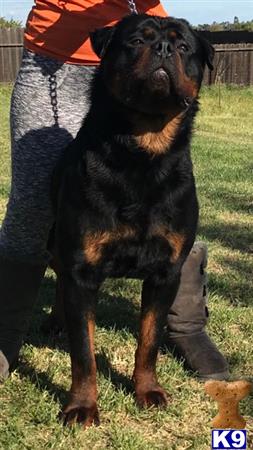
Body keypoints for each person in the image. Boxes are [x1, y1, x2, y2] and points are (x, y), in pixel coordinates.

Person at [0, 0, 228, 381]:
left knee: (172, 206)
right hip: (54, 59)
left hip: (141, 32)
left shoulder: (169, 46)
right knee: (35, 206)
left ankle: (186, 326)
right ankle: (4, 331)